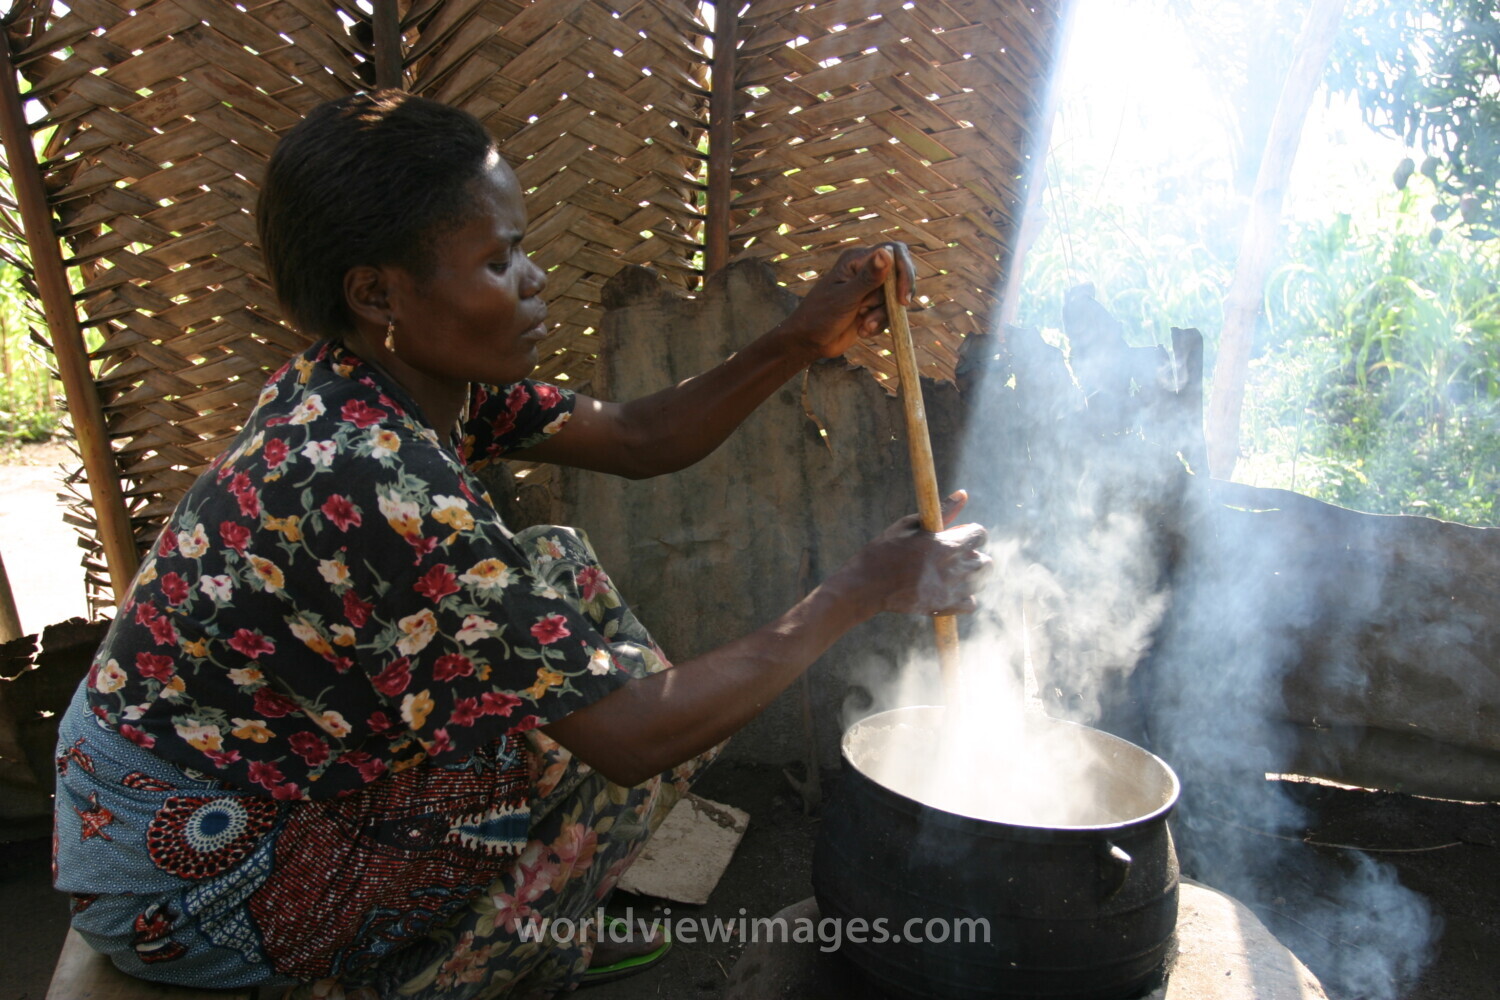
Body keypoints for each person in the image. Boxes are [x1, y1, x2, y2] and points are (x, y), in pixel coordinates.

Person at [51, 90, 990, 999]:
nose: (535, 279)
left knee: (556, 574)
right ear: (379, 292)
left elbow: (635, 438)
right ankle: (462, 968)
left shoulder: (383, 379)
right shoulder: (378, 480)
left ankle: (512, 919)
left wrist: (798, 338)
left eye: (523, 247)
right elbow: (630, 736)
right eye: (501, 260)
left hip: (193, 785)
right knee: (578, 765)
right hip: (188, 877)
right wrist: (859, 589)